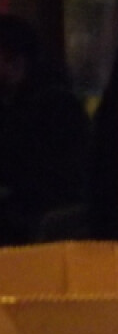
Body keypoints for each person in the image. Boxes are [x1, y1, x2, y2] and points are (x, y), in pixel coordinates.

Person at [0, 13, 92, 244]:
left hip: (41, 222)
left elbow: (35, 175)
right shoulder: (22, 100)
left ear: (15, 61)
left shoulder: (51, 105)